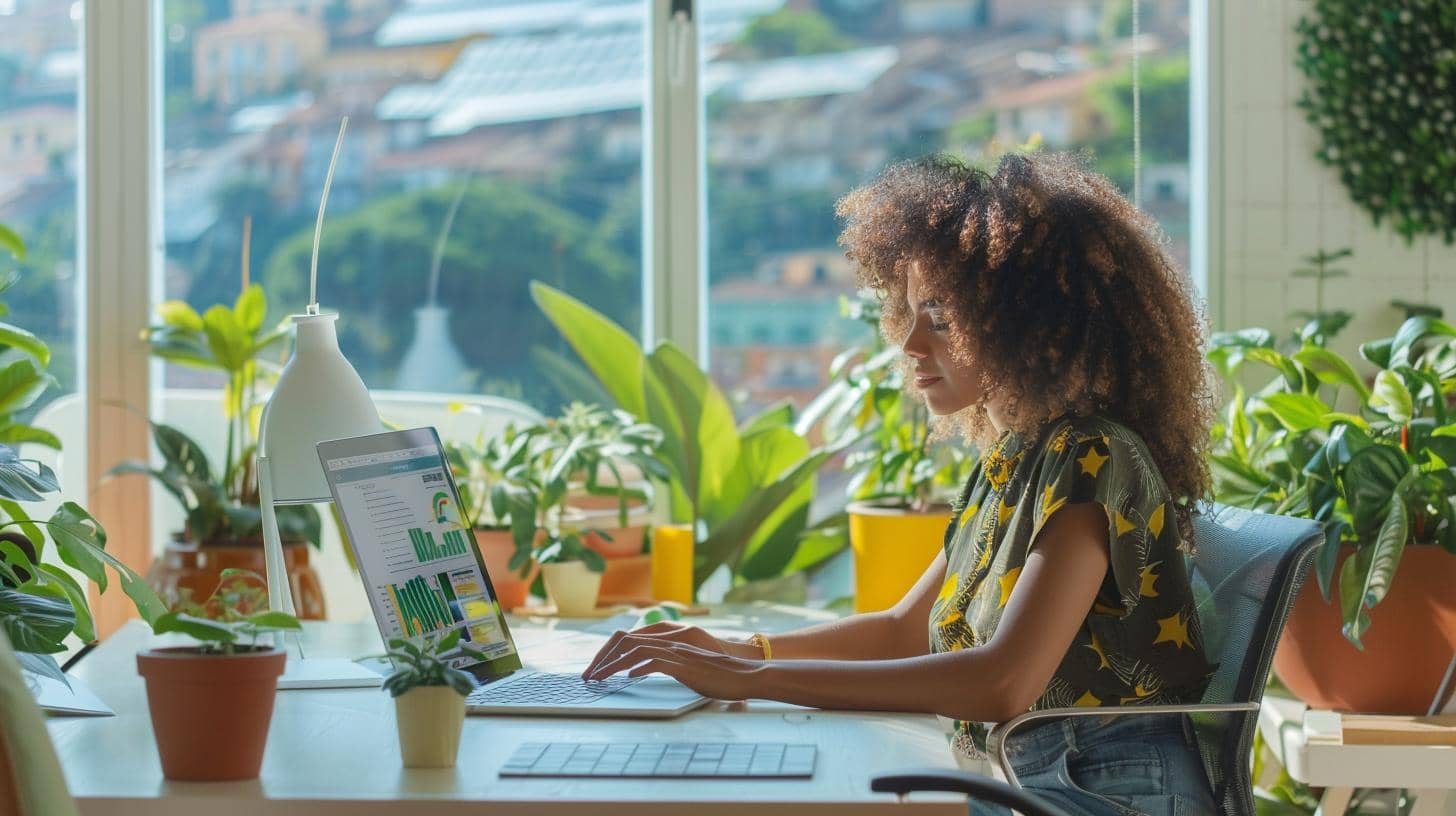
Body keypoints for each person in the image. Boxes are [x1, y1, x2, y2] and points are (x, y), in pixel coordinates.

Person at [582, 152, 1220, 816]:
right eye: (910, 313)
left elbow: (1001, 682)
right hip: (1028, 780)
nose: (911, 342)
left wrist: (752, 676)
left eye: (940, 318)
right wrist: (738, 649)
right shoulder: (1017, 461)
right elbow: (899, 632)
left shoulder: (1092, 455)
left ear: (1035, 322)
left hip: (1101, 794)